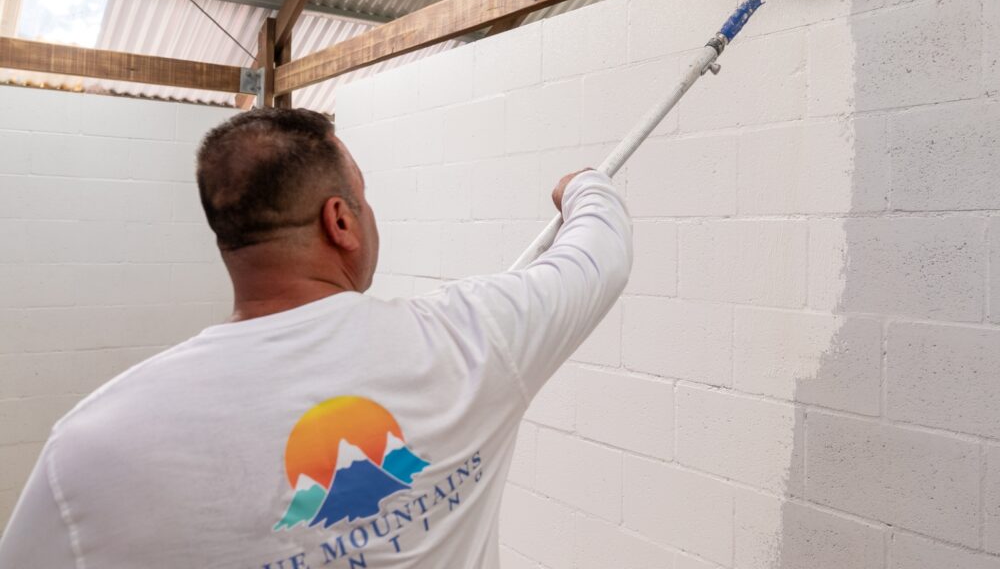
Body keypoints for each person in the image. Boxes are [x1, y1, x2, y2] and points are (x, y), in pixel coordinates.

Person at [0, 108, 632, 568]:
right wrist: (582, 186)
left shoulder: (89, 451)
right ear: (340, 221)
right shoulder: (472, 339)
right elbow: (598, 255)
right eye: (363, 197)